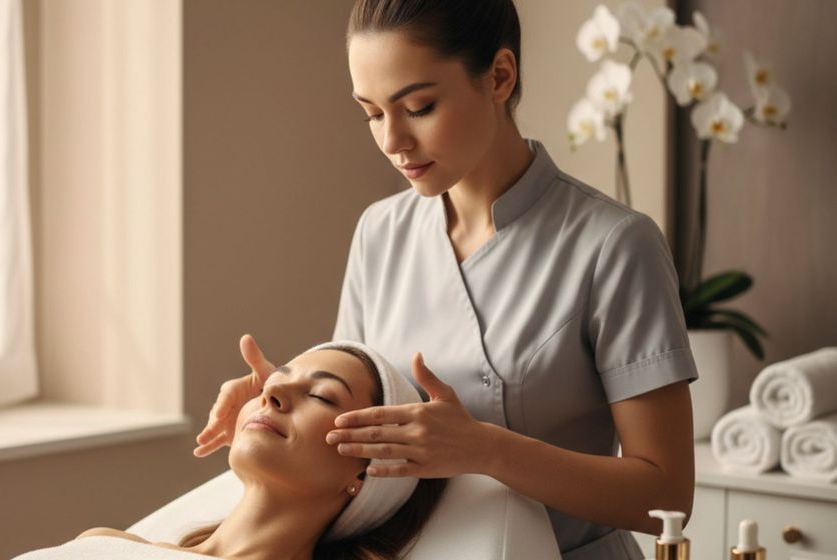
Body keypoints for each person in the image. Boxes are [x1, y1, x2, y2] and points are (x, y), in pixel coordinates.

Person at [195, 2, 699, 559]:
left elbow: (667, 494)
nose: (393, 141)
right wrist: (276, 397)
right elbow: (356, 430)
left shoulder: (613, 245)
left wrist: (485, 449)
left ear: (499, 77)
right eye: (372, 113)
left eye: (419, 107)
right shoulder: (380, 232)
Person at [76, 341, 447, 560]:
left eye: (321, 396)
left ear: (366, 470)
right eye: (272, 383)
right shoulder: (103, 544)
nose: (272, 394)